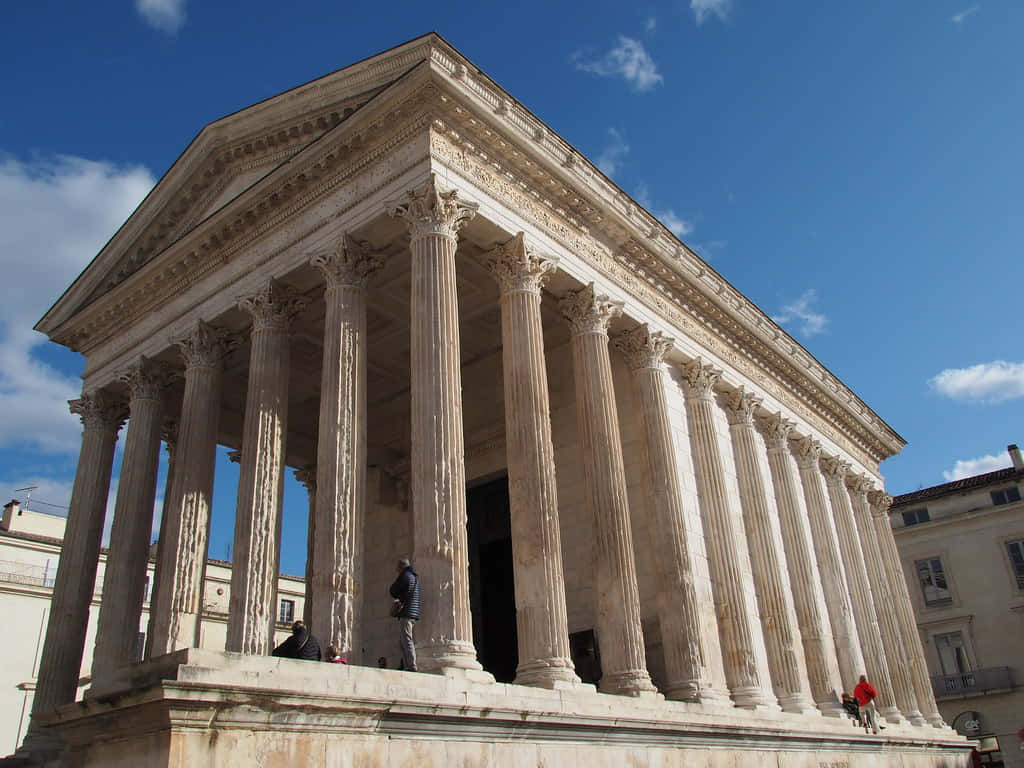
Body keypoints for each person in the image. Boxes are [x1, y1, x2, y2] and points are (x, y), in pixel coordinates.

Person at [389, 557, 421, 673]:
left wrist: (399, 577)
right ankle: (407, 663)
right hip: (412, 612)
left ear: (401, 568)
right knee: (403, 640)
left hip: (407, 612)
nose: (397, 571)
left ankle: (411, 665)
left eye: (398, 568)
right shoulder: (413, 577)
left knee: (406, 639)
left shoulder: (405, 576)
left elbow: (393, 590)